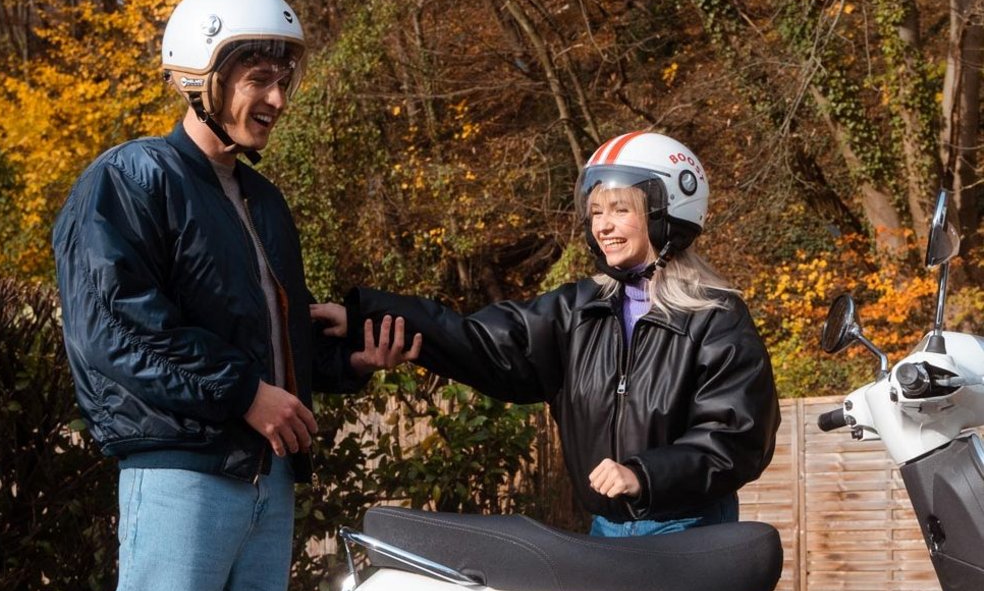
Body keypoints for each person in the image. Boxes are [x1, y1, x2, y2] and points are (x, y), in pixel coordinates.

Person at [39, 0, 416, 591]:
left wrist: (338, 367)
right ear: (200, 73)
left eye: (284, 77)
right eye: (256, 74)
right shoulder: (129, 180)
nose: (276, 98)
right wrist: (245, 393)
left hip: (264, 485)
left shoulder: (265, 203)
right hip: (180, 479)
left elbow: (267, 349)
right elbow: (115, 328)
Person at [315, 131, 779, 536]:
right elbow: (477, 341)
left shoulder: (716, 317)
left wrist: (646, 473)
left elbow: (737, 435)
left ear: (666, 214)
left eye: (620, 209)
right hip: (605, 528)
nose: (603, 225)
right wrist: (363, 320)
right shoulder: (579, 310)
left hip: (690, 531)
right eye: (596, 211)